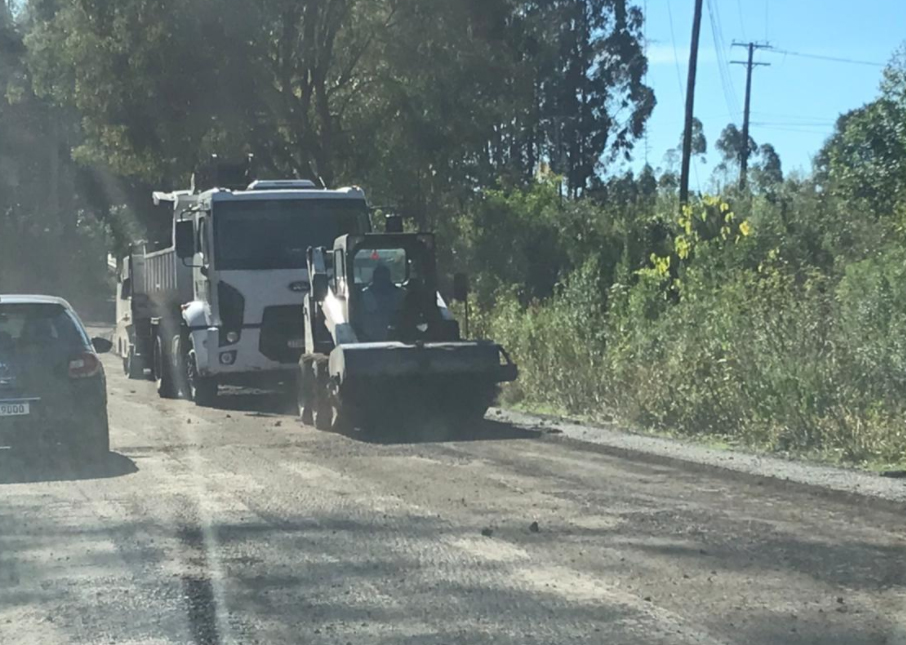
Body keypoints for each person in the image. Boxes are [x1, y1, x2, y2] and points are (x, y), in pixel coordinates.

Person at [360, 264, 405, 341]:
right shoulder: (367, 295)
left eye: (384, 277)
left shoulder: (401, 293)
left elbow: (402, 313)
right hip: (373, 335)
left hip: (400, 333)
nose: (382, 281)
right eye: (379, 278)